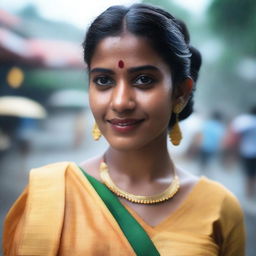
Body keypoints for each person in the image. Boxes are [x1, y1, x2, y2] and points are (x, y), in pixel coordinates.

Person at [3, 4, 245, 256]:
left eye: (143, 80)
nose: (120, 102)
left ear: (180, 93)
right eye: (103, 81)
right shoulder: (49, 194)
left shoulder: (218, 207)